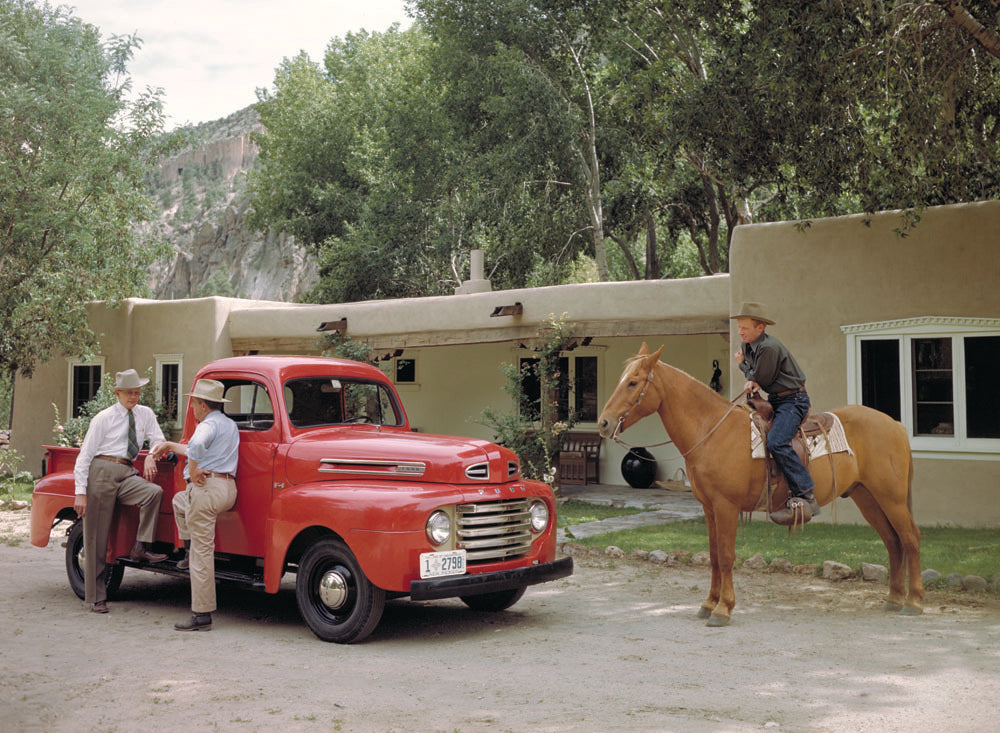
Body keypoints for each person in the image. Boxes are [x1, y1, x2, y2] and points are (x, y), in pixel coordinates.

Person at [73, 369, 168, 614]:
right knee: (96, 536)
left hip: (127, 471)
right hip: (102, 471)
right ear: (117, 393)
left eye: (137, 392)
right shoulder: (103, 418)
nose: (133, 397)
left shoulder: (145, 414)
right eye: (128, 393)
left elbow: (159, 440)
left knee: (153, 493)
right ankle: (97, 597)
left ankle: (140, 547)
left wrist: (151, 455)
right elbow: (84, 456)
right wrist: (80, 492)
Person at [152, 379, 239, 632]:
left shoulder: (206, 425)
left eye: (194, 404)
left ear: (202, 405)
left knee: (202, 554)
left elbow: (197, 446)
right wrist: (170, 446)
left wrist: (192, 470)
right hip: (227, 489)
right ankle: (188, 550)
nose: (192, 409)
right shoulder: (229, 424)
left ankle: (201, 614)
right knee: (180, 501)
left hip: (206, 489)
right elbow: (195, 447)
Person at [732, 302, 821, 524]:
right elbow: (756, 377)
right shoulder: (748, 346)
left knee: (776, 441)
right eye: (739, 327)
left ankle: (807, 493)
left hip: (793, 400)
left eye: (745, 328)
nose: (740, 332)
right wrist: (751, 375)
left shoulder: (769, 347)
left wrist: (743, 367)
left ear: (760, 327)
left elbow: (761, 379)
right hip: (776, 400)